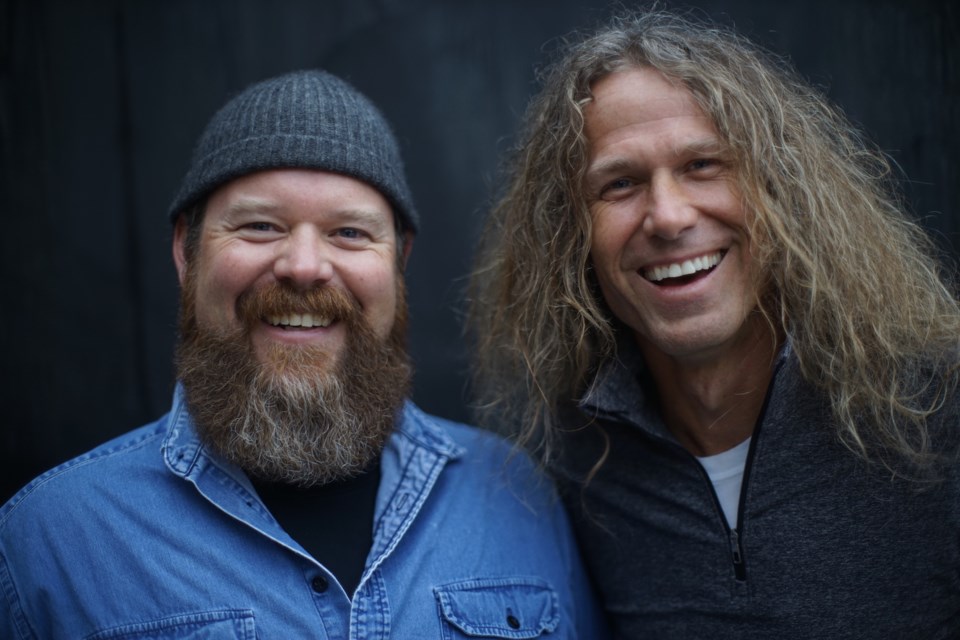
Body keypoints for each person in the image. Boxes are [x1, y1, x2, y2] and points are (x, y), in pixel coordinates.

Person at [0, 70, 608, 639]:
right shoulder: (47, 539)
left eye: (349, 232)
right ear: (187, 251)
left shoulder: (516, 495)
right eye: (260, 226)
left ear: (397, 261)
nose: (305, 267)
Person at [469, 9, 960, 639]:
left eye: (704, 164)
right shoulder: (572, 462)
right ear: (571, 237)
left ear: (781, 189)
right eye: (619, 184)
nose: (669, 217)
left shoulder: (936, 409)